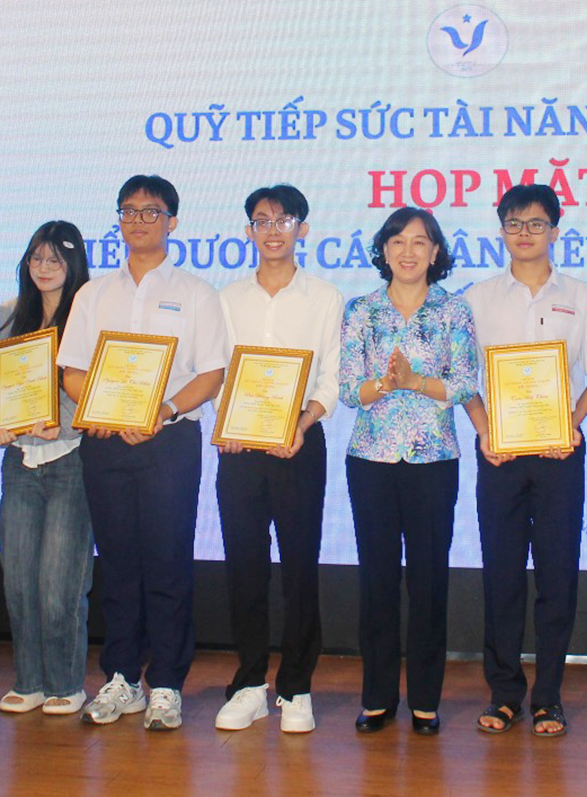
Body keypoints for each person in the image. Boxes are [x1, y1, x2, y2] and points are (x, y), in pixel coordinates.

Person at [58, 176, 228, 731]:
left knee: (167, 560)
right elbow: (72, 370)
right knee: (118, 562)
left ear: (172, 221)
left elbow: (211, 373)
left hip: (168, 440)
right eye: (128, 211)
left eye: (151, 212)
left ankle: (168, 683)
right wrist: (104, 410)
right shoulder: (93, 294)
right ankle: (122, 677)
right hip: (105, 441)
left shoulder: (197, 293)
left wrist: (164, 411)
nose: (138, 221)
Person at [462, 184, 587, 737]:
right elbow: (462, 377)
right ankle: (504, 694)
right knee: (501, 575)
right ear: (501, 231)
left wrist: (574, 421)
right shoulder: (478, 298)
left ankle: (548, 696)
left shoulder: (581, 296)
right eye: (514, 224)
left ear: (555, 231)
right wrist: (484, 430)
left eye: (536, 223)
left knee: (556, 575)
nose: (525, 233)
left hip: (558, 452)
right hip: (500, 455)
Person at [340, 206, 479, 736]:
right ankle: (377, 697)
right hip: (371, 460)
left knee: (428, 581)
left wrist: (415, 381)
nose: (408, 251)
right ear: (383, 249)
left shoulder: (453, 310)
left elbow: (464, 383)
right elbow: (349, 389)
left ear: (435, 252)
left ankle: (425, 699)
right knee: (376, 581)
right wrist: (385, 383)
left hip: (433, 461)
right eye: (397, 240)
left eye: (420, 242)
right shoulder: (362, 311)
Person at [212, 185, 343, 734]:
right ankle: (249, 684)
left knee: (299, 568)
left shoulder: (325, 297)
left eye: (284, 220)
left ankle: (296, 687)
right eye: (262, 221)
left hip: (299, 445)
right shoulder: (227, 299)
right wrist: (227, 424)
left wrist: (303, 422)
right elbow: (219, 371)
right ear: (248, 231)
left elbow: (332, 376)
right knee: (244, 567)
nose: (272, 230)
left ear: (301, 229)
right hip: (240, 449)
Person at [0, 221, 94, 716]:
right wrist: (1, 422)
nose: (44, 268)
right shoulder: (11, 314)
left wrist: (64, 422)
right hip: (20, 459)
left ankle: (65, 682)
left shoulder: (90, 314)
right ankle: (29, 680)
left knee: (60, 584)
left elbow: (99, 389)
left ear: (73, 264)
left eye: (55, 259)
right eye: (36, 258)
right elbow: (1, 387)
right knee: (17, 580)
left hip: (70, 457)